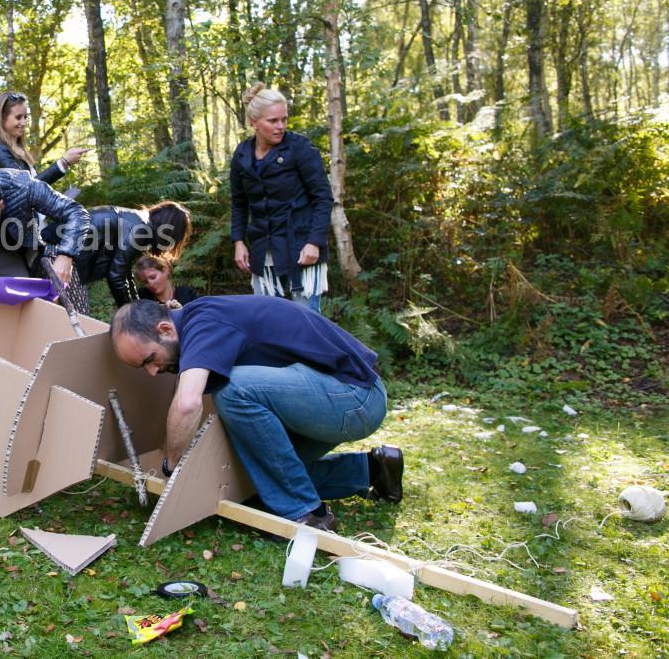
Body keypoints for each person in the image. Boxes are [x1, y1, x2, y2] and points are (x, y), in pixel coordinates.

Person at [109, 296, 403, 532]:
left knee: (233, 389)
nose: (152, 372)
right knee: (259, 477)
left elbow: (187, 403)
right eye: (142, 367)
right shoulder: (198, 321)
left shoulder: (205, 324)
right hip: (342, 395)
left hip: (355, 397)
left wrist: (172, 467)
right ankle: (376, 469)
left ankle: (307, 514)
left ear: (165, 329)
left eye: (149, 359)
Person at [230, 82, 333, 312]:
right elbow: (239, 203)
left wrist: (314, 242)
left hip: (301, 246)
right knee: (268, 320)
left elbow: (323, 198)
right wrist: (238, 241)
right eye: (273, 121)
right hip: (263, 248)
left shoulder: (300, 148)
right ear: (253, 122)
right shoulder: (242, 155)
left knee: (306, 323)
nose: (280, 126)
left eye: (284, 120)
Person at [45, 201, 192, 306]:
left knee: (62, 313)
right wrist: (132, 313)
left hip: (56, 250)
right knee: (76, 312)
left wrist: (136, 306)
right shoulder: (140, 228)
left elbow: (124, 272)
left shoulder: (138, 221)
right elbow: (116, 275)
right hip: (59, 254)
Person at [0, 92, 88, 184]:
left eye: (25, 117)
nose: (24, 123)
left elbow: (36, 185)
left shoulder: (20, 149)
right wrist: (63, 162)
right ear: (2, 118)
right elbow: (27, 187)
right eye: (18, 117)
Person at [135, 254, 199, 309]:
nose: (150, 284)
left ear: (165, 270)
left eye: (153, 277)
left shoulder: (187, 293)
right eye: (145, 282)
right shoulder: (142, 297)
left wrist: (180, 311)